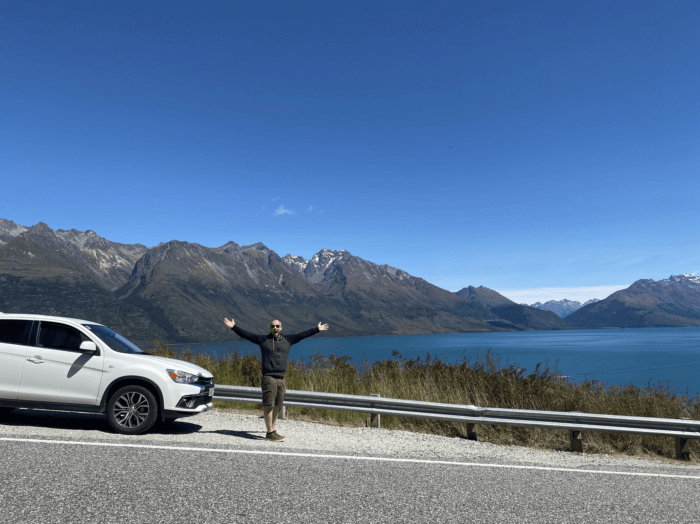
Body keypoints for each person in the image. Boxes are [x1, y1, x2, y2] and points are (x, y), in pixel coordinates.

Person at [223, 317, 329, 441]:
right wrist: (233, 327)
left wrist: (317, 329)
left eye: (277, 326)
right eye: (273, 326)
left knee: (278, 406)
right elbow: (247, 335)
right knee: (269, 405)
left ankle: (272, 430)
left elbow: (302, 335)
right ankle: (270, 432)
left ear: (281, 328)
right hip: (269, 377)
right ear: (270, 328)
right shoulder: (264, 340)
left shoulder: (288, 340)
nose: (275, 328)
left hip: (282, 378)